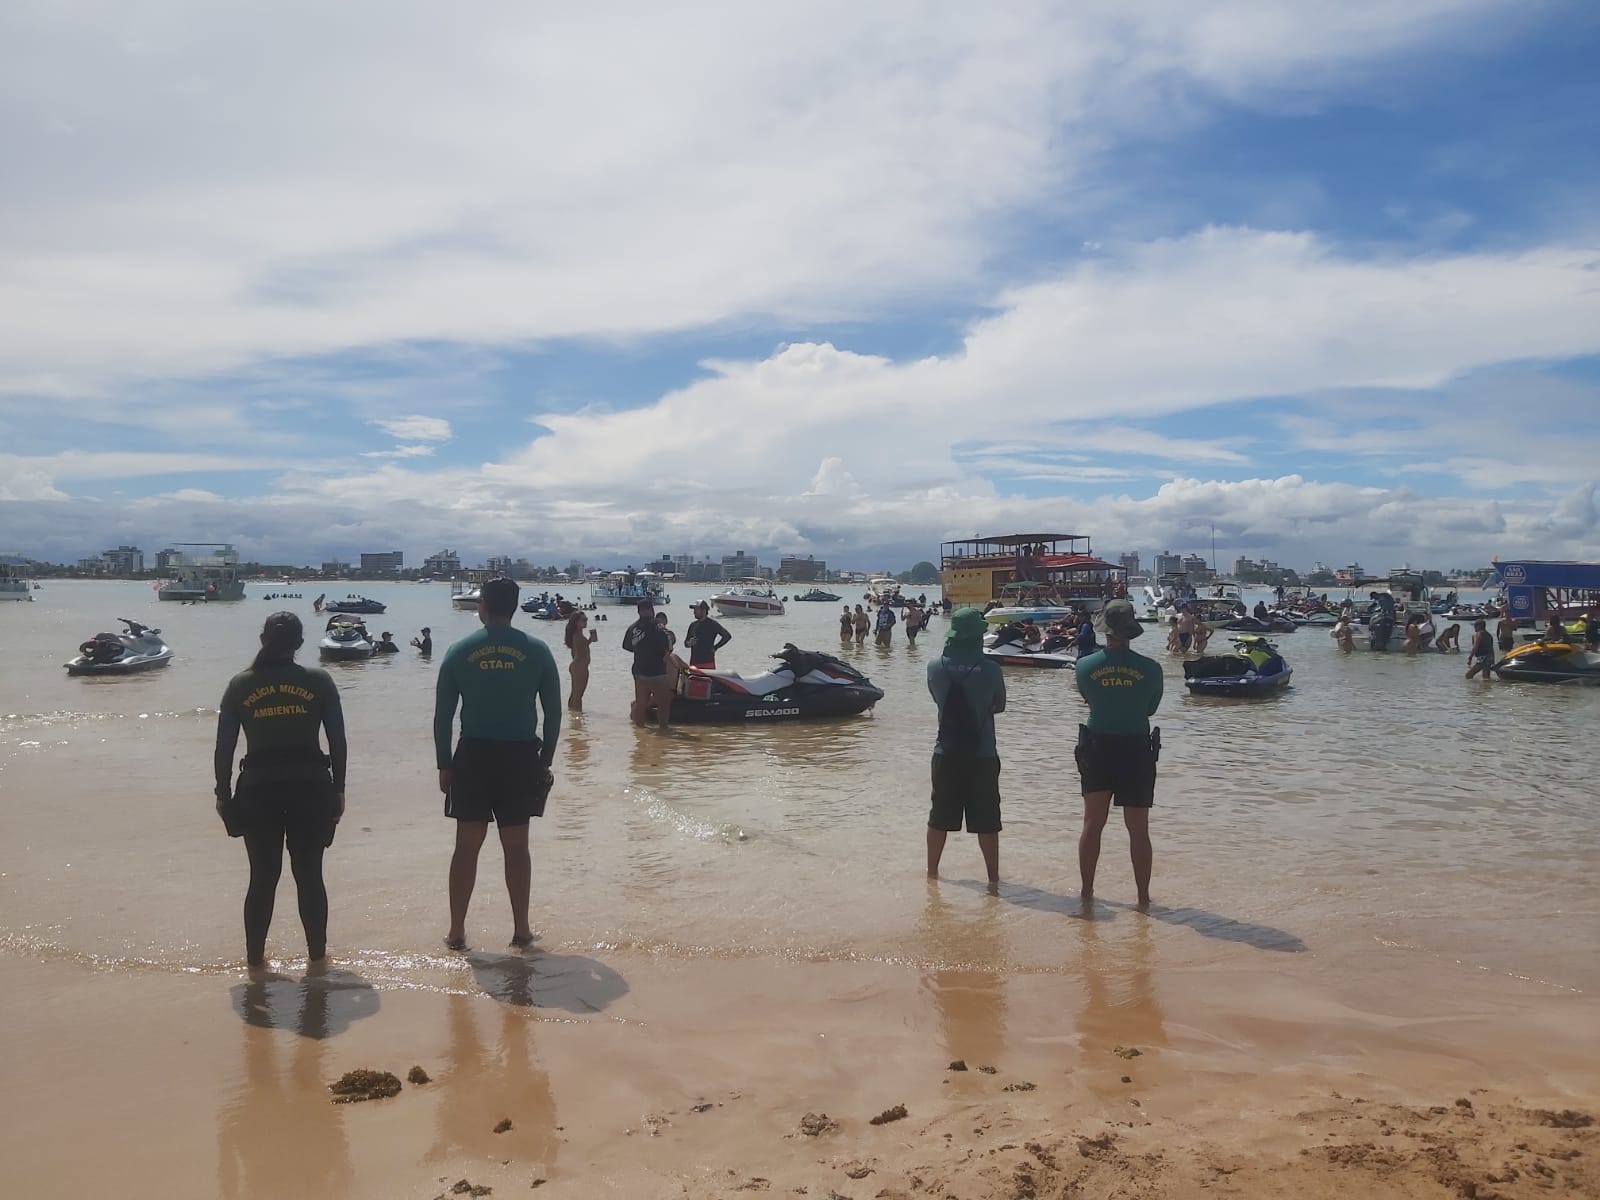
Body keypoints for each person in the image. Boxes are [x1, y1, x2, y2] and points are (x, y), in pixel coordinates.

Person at [433, 577, 562, 951]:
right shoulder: (537, 651)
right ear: (516, 607)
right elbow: (553, 713)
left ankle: (457, 932)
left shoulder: (459, 651)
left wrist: (444, 762)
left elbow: (443, 716)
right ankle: (521, 930)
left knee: (466, 846)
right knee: (516, 847)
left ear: (483, 607)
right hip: (520, 757)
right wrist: (546, 759)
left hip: (472, 757)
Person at [214, 612, 347, 968]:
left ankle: (255, 963)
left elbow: (224, 746)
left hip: (258, 790)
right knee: (309, 874)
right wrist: (339, 789)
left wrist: (223, 795)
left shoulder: (240, 684)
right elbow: (337, 740)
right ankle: (317, 959)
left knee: (262, 877)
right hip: (312, 788)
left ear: (263, 639)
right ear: (300, 644)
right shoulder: (319, 680)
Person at [1074, 599, 1163, 907]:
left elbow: (1088, 699)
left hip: (1097, 747)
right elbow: (1150, 708)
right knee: (1139, 831)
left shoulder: (1084, 666)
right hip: (1136, 749)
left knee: (1092, 824)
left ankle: (1086, 893)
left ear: (1104, 630)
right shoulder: (1152, 669)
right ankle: (1143, 898)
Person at [925, 608, 1006, 887]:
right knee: (987, 820)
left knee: (939, 817)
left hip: (945, 752)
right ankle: (993, 880)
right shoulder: (991, 669)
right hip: (982, 753)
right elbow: (1000, 705)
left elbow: (938, 700)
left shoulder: (935, 667)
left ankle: (932, 875)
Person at [623, 598, 673, 729]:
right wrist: (666, 651)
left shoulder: (633, 628)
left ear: (639, 612)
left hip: (639, 671)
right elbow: (669, 640)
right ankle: (663, 730)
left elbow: (626, 646)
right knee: (663, 704)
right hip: (657, 671)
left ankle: (640, 732)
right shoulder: (657, 625)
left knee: (641, 703)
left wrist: (641, 650)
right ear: (651, 610)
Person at [563, 610, 596, 711]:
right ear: (576, 622)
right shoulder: (578, 636)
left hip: (577, 666)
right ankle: (577, 717)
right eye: (583, 620)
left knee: (575, 693)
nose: (585, 622)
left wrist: (588, 641)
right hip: (580, 666)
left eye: (586, 619)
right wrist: (590, 640)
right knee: (578, 695)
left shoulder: (577, 635)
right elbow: (580, 652)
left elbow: (578, 650)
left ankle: (572, 714)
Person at [685, 601, 732, 669]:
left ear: (704, 610)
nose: (694, 612)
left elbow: (727, 636)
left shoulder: (712, 624)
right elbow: (685, 643)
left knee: (709, 679)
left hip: (708, 662)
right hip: (694, 663)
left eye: (696, 609)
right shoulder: (693, 625)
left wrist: (715, 647)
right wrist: (689, 643)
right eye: (694, 609)